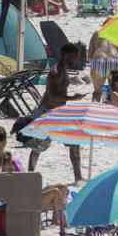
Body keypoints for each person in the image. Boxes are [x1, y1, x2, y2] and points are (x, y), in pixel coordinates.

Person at [33, 43, 85, 181]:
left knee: (74, 142)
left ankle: (78, 178)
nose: (75, 59)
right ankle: (30, 173)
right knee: (38, 146)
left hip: (59, 112)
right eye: (73, 56)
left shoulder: (63, 70)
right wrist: (72, 98)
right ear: (64, 55)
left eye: (76, 57)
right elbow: (52, 96)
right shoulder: (55, 71)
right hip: (48, 112)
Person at [88, 26, 118, 102]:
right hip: (114, 63)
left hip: (99, 62)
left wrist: (93, 67)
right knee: (115, 92)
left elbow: (89, 55)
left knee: (97, 92)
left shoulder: (97, 32)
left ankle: (94, 107)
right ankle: (111, 106)